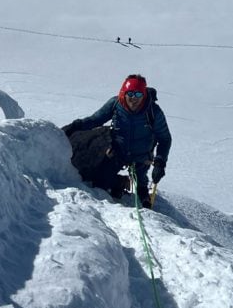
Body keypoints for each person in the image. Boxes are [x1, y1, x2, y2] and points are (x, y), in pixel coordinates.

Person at [62, 74, 172, 208]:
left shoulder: (153, 112)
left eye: (138, 94)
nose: (134, 98)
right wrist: (74, 126)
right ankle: (120, 182)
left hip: (142, 155)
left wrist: (160, 162)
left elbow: (165, 139)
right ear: (123, 93)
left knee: (140, 183)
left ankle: (142, 190)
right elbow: (95, 120)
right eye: (130, 93)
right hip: (118, 151)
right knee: (100, 181)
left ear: (144, 95)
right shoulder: (115, 104)